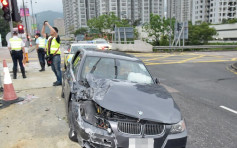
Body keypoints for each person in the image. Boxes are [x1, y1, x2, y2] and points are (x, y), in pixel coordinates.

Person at [41, 21, 62, 86]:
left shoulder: (57, 38)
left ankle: (59, 81)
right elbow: (42, 33)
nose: (50, 31)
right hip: (50, 56)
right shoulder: (50, 38)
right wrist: (44, 25)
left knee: (57, 69)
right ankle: (58, 80)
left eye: (51, 30)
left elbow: (54, 32)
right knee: (53, 69)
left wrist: (48, 24)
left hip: (56, 56)